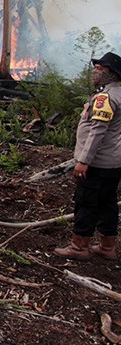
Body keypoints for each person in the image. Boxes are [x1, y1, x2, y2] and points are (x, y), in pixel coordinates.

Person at [54, 51, 121, 260]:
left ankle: (78, 247)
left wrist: (83, 161)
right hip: (113, 162)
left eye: (99, 68)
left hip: (97, 163)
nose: (94, 71)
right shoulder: (118, 94)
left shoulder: (105, 98)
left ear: (109, 72)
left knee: (86, 203)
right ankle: (107, 247)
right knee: (108, 202)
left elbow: (97, 132)